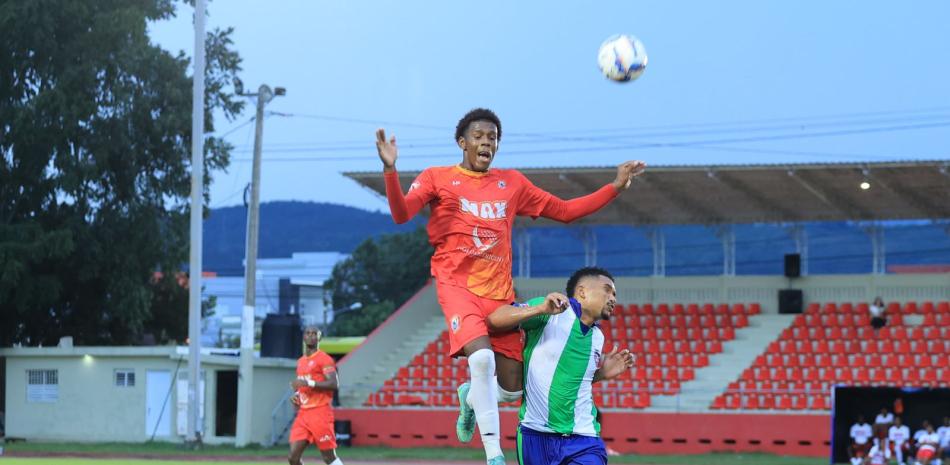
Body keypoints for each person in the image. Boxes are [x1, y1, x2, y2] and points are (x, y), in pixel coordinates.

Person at [376, 108, 645, 465]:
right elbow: (400, 213)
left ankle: (472, 396)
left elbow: (565, 210)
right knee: (482, 357)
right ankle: (494, 456)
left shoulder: (512, 184)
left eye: (493, 137)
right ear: (462, 142)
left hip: (500, 296)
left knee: (513, 387)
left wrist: (613, 187)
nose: (487, 141)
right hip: (457, 287)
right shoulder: (436, 178)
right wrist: (391, 170)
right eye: (479, 136)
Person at [486, 267, 635, 465]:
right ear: (582, 291)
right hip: (535, 435)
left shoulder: (597, 337)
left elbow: (571, 383)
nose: (613, 298)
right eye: (607, 290)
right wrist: (539, 309)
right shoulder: (551, 310)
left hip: (585, 438)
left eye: (615, 294)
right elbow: (493, 321)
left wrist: (600, 374)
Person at [288, 326, 344, 465]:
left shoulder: (324, 359)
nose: (311, 335)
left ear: (319, 338)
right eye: (308, 333)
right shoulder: (300, 362)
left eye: (314, 333)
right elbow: (303, 386)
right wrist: (296, 395)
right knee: (293, 458)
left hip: (320, 412)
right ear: (303, 337)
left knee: (328, 458)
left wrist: (308, 382)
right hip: (304, 414)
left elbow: (333, 384)